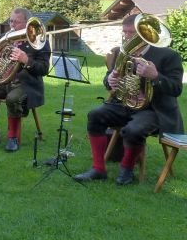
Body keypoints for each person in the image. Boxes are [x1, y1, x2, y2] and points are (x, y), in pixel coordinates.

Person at [75, 14, 184, 184]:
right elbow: (108, 78)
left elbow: (176, 89)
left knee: (133, 130)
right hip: (124, 104)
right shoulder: (121, 52)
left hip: (153, 109)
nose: (127, 37)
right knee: (95, 115)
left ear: (145, 33)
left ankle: (126, 171)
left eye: (131, 33)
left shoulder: (169, 56)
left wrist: (155, 76)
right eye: (124, 32)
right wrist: (109, 80)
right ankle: (98, 169)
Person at [0, 7, 50, 152]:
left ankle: (13, 137)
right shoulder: (7, 36)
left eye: (16, 22)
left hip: (27, 84)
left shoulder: (39, 40)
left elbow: (44, 69)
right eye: (11, 21)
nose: (12, 25)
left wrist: (26, 60)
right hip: (5, 82)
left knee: (12, 99)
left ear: (27, 23)